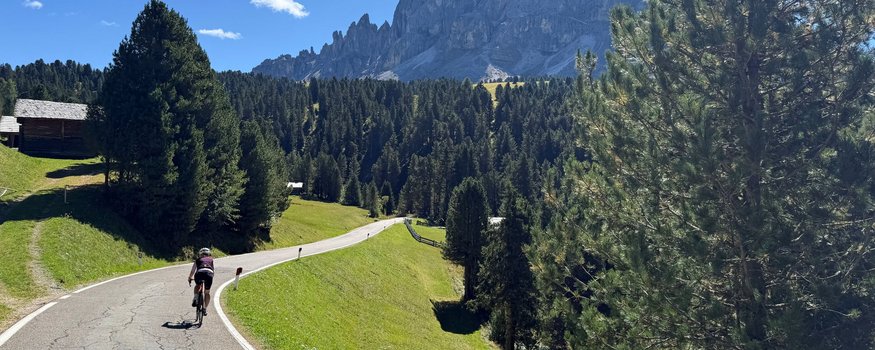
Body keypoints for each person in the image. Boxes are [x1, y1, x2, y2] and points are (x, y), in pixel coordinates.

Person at [188, 247, 214, 316]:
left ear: (200, 254)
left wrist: (190, 278)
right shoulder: (211, 260)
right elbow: (212, 271)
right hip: (209, 274)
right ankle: (204, 309)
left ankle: (196, 298)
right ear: (209, 254)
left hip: (199, 273)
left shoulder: (198, 260)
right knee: (207, 293)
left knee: (197, 285)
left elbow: (193, 270)